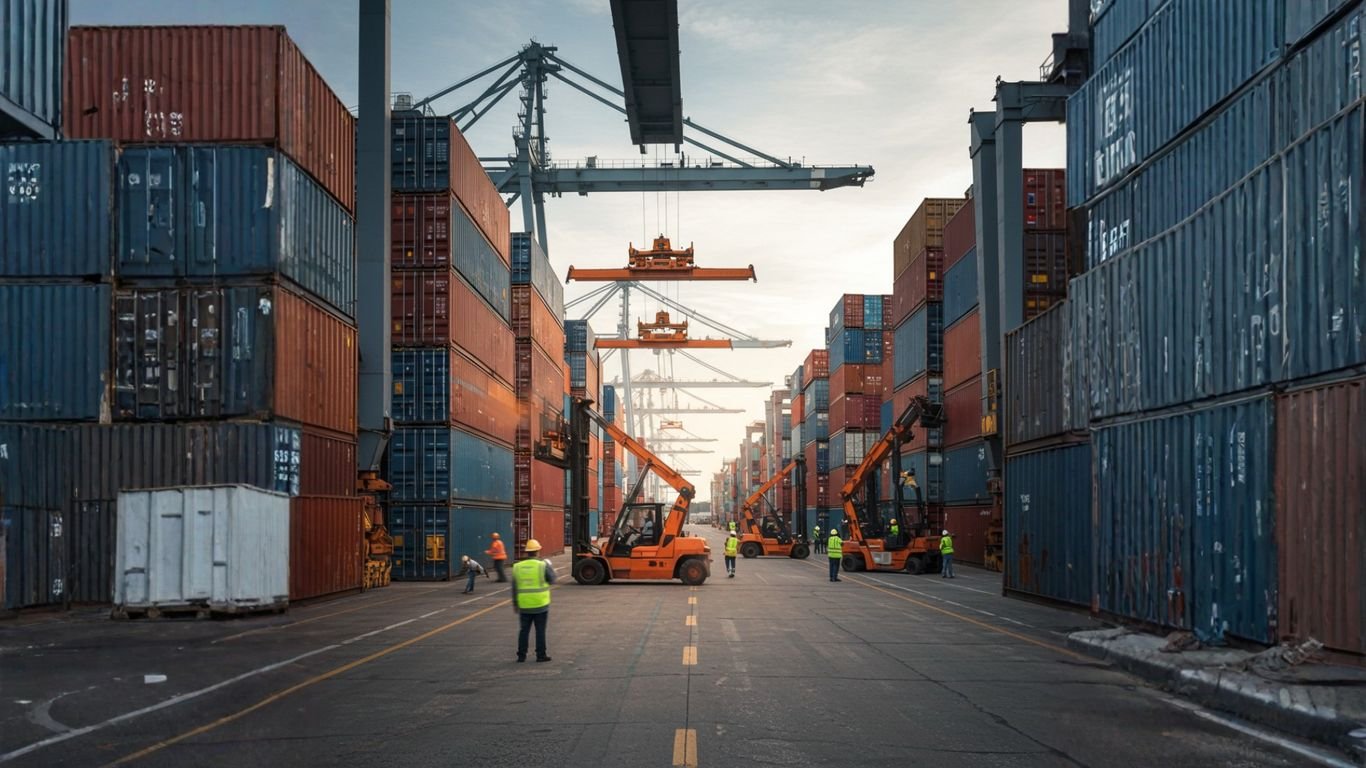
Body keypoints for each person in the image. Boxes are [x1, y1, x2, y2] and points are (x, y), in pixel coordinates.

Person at [513, 538, 556, 662]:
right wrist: (550, 567)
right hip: (540, 605)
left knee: (524, 631)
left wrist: (515, 603)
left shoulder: (517, 567)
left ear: (527, 552)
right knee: (540, 631)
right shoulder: (543, 565)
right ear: (537, 551)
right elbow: (552, 580)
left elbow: (514, 588)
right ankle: (541, 655)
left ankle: (521, 655)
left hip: (524, 605)